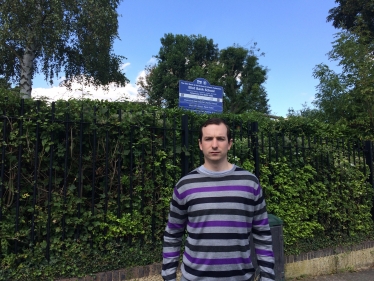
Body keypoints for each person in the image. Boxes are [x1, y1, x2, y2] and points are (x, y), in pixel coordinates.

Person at [161, 117, 275, 281]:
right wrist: (168, 277)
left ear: (229, 143)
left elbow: (262, 233)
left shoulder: (250, 183)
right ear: (200, 144)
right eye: (208, 139)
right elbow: (173, 234)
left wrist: (268, 277)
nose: (214, 145)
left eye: (220, 138)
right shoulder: (185, 185)